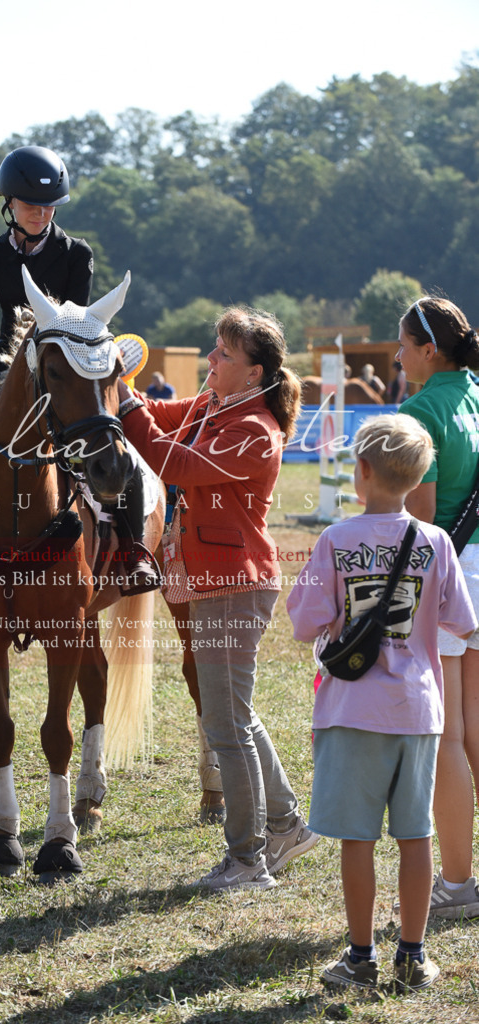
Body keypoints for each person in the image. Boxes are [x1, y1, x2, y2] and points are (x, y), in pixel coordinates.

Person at [119, 306, 319, 889]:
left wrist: (123, 401)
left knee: (227, 728)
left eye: (224, 354)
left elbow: (172, 460)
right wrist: (115, 381)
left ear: (254, 372)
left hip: (235, 584)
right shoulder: (214, 405)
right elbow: (156, 414)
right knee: (235, 717)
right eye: (215, 347)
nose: (211, 358)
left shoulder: (255, 428)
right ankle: (286, 826)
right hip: (217, 581)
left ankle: (248, 860)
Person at [0, 146, 157, 606]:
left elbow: (79, 320)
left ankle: (134, 552)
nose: (41, 214)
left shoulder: (76, 253)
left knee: (122, 454)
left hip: (68, 371)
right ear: (9, 204)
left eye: (49, 206)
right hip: (5, 371)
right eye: (30, 205)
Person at [287, 413, 476, 992]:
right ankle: (413, 957)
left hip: (351, 710)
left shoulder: (335, 539)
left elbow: (304, 621)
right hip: (417, 712)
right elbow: (462, 622)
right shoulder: (436, 541)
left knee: (358, 839)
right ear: (419, 476)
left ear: (362, 469)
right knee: (416, 836)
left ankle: (360, 956)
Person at [397, 296, 479, 920]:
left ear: (429, 350)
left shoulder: (420, 410)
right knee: (475, 729)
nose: (398, 357)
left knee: (449, 736)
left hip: (449, 574)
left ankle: (456, 885)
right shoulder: (476, 393)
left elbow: (421, 518)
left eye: (403, 346)